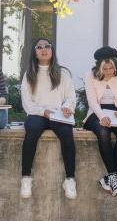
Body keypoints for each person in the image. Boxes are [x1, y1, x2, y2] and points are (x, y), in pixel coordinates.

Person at [20, 38, 77, 199]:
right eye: (39, 47)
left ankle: (70, 179)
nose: (44, 49)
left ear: (52, 50)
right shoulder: (30, 74)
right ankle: (26, 177)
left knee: (67, 134)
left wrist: (66, 107)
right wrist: (43, 111)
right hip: (38, 114)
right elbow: (27, 102)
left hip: (58, 114)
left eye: (47, 46)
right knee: (31, 131)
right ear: (35, 52)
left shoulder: (63, 73)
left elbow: (70, 97)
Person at [84, 46, 117, 196]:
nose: (108, 72)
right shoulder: (90, 75)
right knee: (103, 133)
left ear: (115, 66)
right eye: (105, 69)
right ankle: (113, 177)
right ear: (99, 68)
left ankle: (110, 177)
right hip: (96, 112)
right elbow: (92, 100)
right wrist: (101, 116)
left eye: (111, 68)